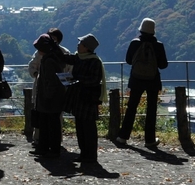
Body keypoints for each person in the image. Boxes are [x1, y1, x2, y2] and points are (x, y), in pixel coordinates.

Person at [115, 17, 169, 150]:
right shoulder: (159, 45)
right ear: (153, 31)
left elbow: (128, 60)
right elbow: (163, 65)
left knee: (132, 107)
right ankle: (149, 140)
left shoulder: (135, 43)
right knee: (151, 110)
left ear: (141, 29)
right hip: (153, 80)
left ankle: (123, 136)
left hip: (136, 79)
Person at [28, 28, 71, 158]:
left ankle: (48, 148)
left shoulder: (49, 60)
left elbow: (51, 81)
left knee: (49, 123)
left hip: (48, 97)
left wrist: (47, 96)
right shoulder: (55, 56)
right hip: (53, 96)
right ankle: (48, 147)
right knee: (50, 123)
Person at [67, 34, 106, 171]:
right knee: (80, 128)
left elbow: (94, 80)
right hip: (79, 97)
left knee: (88, 128)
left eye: (80, 43)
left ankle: (91, 155)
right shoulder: (79, 57)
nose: (78, 45)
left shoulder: (94, 62)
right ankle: (83, 153)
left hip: (88, 98)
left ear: (86, 47)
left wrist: (76, 79)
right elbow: (66, 58)